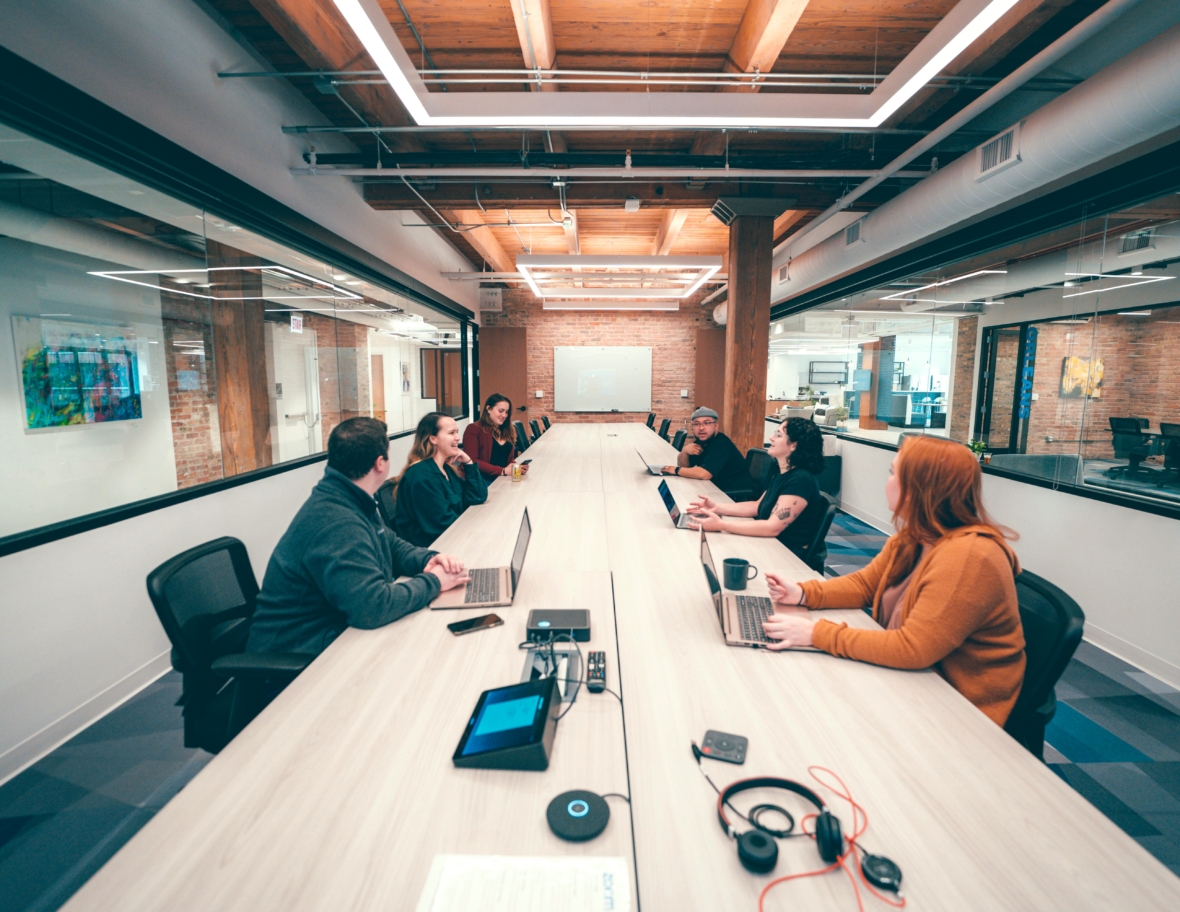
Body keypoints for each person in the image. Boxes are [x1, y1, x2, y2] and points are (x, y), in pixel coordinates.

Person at [761, 435, 1025, 727]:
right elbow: (865, 586)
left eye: (892, 473)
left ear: (919, 487)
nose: (886, 481)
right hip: (913, 681)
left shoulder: (971, 556)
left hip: (957, 709)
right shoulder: (915, 536)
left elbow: (913, 648)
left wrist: (816, 634)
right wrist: (802, 593)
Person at [246, 417, 470, 657]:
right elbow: (373, 606)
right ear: (379, 464)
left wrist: (429, 559)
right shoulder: (337, 521)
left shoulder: (349, 497)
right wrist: (434, 582)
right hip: (298, 660)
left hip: (335, 635)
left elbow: (391, 544)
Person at [687, 418, 826, 563]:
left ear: (793, 445)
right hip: (771, 544)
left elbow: (772, 528)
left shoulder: (800, 480)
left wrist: (722, 525)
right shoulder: (783, 473)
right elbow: (757, 506)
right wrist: (716, 507)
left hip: (787, 555)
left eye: (778, 435)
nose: (771, 438)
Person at [394, 412, 489, 547]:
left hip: (452, 541)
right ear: (433, 439)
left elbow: (478, 497)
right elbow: (444, 525)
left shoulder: (447, 469)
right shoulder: (422, 476)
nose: (457, 438)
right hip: (432, 551)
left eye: (457, 432)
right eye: (451, 433)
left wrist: (468, 462)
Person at [662, 406, 750, 499]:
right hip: (715, 488)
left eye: (706, 423)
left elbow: (704, 474)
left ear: (716, 426)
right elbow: (685, 466)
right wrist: (685, 452)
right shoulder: (702, 442)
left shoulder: (721, 444)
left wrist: (675, 470)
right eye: (696, 424)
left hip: (735, 496)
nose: (701, 428)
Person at [463, 393, 529, 481]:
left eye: (506, 412)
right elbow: (472, 461)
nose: (504, 415)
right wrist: (502, 471)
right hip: (481, 480)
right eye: (501, 411)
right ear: (488, 409)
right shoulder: (473, 429)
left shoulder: (507, 430)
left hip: (502, 478)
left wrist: (516, 467)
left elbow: (507, 459)